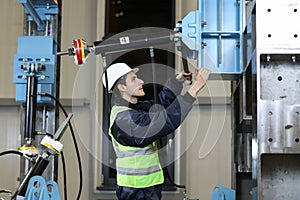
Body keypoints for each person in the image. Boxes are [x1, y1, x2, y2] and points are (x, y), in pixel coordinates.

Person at [102, 62, 210, 200]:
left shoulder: (134, 108)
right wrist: (194, 89)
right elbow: (164, 121)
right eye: (133, 79)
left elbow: (158, 104)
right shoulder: (124, 119)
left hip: (146, 186)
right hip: (136, 189)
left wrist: (178, 81)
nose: (141, 81)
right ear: (122, 87)